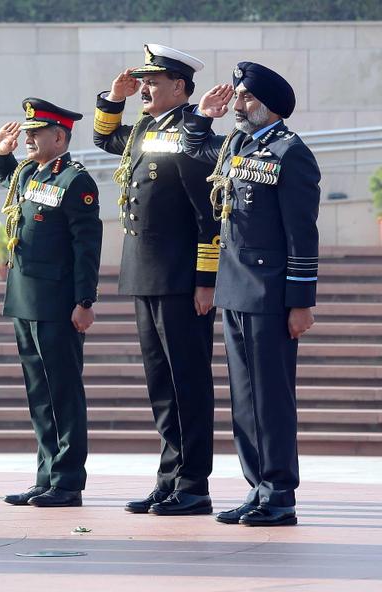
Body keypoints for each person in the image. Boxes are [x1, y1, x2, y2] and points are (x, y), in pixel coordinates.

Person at [181, 62, 319, 527]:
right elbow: (193, 147)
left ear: (268, 107)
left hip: (271, 292)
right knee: (244, 398)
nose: (237, 105)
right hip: (234, 287)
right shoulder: (238, 143)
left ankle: (279, 493)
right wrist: (204, 115)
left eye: (243, 99)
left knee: (271, 398)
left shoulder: (290, 153)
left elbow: (302, 234)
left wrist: (301, 302)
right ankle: (256, 487)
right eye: (237, 98)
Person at [92, 44, 220, 516]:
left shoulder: (193, 132)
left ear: (181, 88)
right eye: (143, 80)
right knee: (161, 384)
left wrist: (206, 279)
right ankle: (168, 479)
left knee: (188, 382)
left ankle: (193, 485)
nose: (144, 87)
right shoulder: (147, 127)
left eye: (153, 81)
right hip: (144, 272)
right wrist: (113, 99)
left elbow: (209, 215)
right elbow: (107, 139)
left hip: (182, 276)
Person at [0, 99, 101, 508]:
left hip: (58, 301)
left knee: (63, 393)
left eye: (36, 135)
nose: (29, 140)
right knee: (39, 393)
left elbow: (87, 246)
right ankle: (46, 475)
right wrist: (1, 156)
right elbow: (12, 187)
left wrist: (84, 300)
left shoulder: (75, 181)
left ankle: (68, 480)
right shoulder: (28, 174)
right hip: (25, 297)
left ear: (59, 137)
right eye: (28, 134)